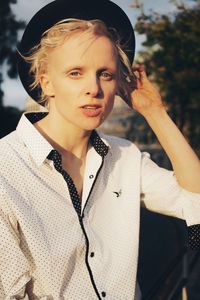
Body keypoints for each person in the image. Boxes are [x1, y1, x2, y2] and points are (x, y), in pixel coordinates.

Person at [0, 0, 200, 299]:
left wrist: (155, 112)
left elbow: (194, 198)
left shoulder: (125, 157)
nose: (94, 88)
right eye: (75, 73)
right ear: (46, 81)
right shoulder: (6, 167)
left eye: (105, 74)